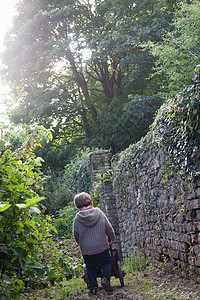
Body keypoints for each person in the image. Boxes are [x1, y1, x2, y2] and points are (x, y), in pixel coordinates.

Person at [73, 192, 115, 295]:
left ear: (77, 207)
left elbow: (76, 235)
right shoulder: (99, 213)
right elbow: (109, 228)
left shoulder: (77, 219)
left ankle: (93, 288)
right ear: (91, 203)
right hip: (102, 246)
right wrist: (111, 239)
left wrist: (81, 244)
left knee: (90, 267)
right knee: (106, 262)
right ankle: (105, 278)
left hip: (87, 250)